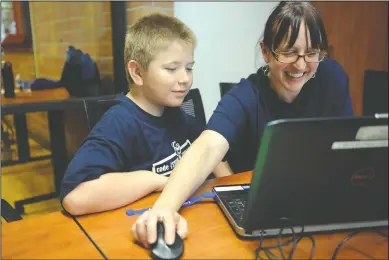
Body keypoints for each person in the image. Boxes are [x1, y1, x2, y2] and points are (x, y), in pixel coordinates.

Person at [132, 1, 354, 248]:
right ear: (266, 52)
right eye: (289, 52)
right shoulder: (245, 96)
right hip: (257, 221)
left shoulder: (331, 77)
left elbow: (347, 146)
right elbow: (208, 145)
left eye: (312, 52)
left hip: (318, 205)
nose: (301, 65)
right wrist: (165, 207)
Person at [60, 14, 232, 216]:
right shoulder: (118, 122)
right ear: (137, 73)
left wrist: (232, 192)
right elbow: (74, 197)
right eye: (171, 68)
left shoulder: (174, 113)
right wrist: (155, 180)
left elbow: (211, 150)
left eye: (189, 68)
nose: (185, 79)